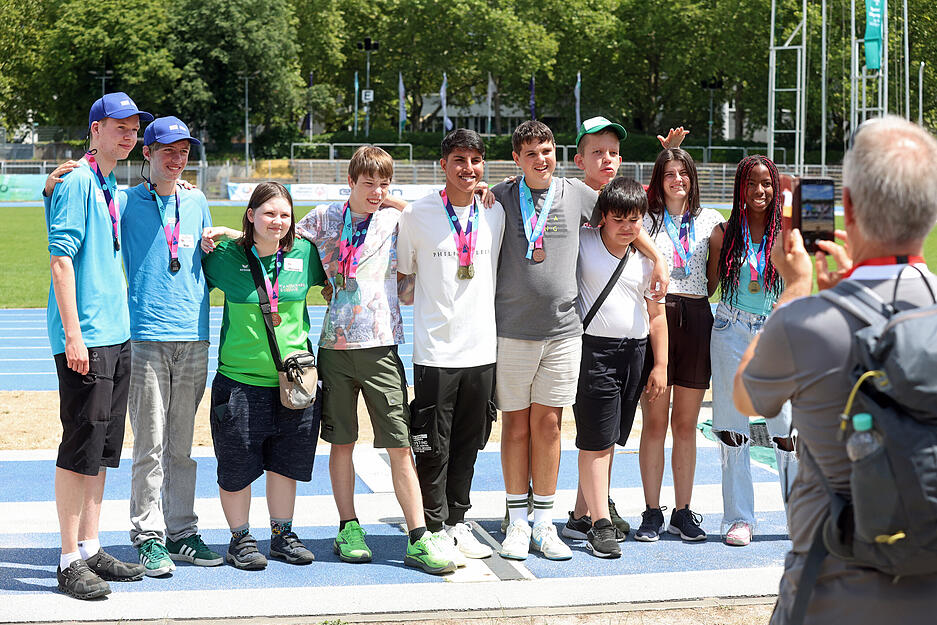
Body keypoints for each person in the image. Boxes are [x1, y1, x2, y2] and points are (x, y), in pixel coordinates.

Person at [734, 117, 937, 622]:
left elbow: (744, 397)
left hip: (833, 583)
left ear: (847, 206)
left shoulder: (807, 323)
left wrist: (797, 290)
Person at [43, 116, 223, 576]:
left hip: (194, 335)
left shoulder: (199, 201)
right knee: (150, 444)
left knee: (183, 445)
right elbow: (81, 209)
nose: (177, 158)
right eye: (168, 149)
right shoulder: (122, 199)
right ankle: (148, 535)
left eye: (184, 151)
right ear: (148, 153)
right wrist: (49, 186)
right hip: (141, 335)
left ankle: (183, 531)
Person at [296, 146, 457, 575]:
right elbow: (275, 233)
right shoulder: (322, 218)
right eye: (369, 183)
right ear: (350, 181)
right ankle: (348, 527)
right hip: (334, 348)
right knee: (341, 442)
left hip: (383, 347)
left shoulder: (396, 219)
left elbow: (438, 213)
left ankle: (419, 536)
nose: (377, 192)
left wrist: (398, 200)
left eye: (384, 184)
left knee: (399, 445)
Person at [45, 92, 150, 599]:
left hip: (116, 333)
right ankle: (68, 560)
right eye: (120, 127)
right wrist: (72, 336)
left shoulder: (109, 181)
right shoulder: (77, 181)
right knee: (78, 447)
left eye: (134, 129)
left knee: (103, 450)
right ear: (95, 129)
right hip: (85, 336)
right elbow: (61, 261)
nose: (129, 135)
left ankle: (90, 546)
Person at [201, 182, 326, 570]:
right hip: (239, 381)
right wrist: (227, 235)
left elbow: (333, 282)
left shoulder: (305, 253)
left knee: (285, 463)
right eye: (269, 213)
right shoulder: (223, 256)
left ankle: (282, 535)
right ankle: (240, 539)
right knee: (236, 466)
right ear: (251, 214)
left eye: (285, 214)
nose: (278, 221)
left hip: (294, 382)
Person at [396, 129, 503, 564]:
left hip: (483, 350)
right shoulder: (417, 215)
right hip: (436, 352)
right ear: (443, 164)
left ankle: (459, 521)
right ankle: (433, 525)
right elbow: (404, 284)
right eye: (459, 159)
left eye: (476, 160)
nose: (468, 169)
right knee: (432, 444)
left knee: (469, 441)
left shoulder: (494, 213)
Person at [565, 116, 670, 540]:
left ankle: (580, 512)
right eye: (596, 152)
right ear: (579, 159)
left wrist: (657, 256)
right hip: (594, 348)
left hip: (636, 351)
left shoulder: (636, 239)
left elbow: (632, 225)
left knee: (608, 437)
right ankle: (599, 521)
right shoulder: (572, 200)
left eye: (612, 153)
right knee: (595, 438)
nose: (605, 159)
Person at [706, 155, 797, 547]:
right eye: (751, 184)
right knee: (732, 428)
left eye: (766, 184)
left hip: (776, 332)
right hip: (730, 328)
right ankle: (739, 518)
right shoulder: (723, 234)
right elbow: (709, 288)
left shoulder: (788, 236)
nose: (759, 191)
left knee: (787, 430)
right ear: (739, 189)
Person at [636, 147, 724, 542]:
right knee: (655, 423)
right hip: (657, 319)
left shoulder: (711, 221)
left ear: (693, 178)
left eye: (683, 172)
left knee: (685, 424)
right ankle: (652, 511)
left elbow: (713, 279)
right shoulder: (645, 219)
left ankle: (683, 512)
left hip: (697, 319)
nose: (677, 180)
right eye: (669, 173)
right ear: (659, 179)